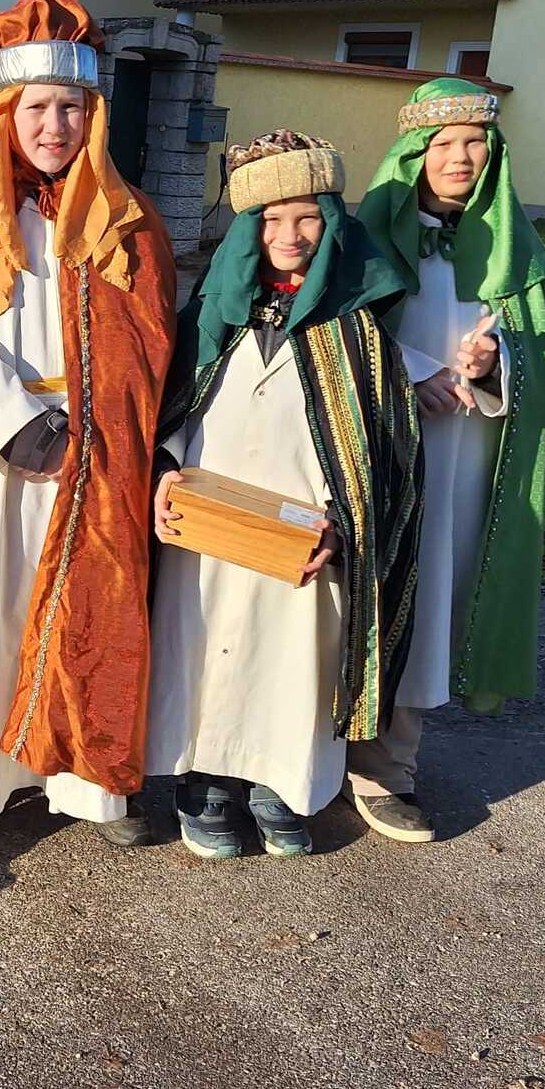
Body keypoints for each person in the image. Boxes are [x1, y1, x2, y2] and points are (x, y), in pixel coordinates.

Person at [0, 0, 176, 844]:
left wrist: (99, 429)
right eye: (37, 109)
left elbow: (151, 340)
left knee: (90, 604)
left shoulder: (127, 218)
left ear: (94, 117)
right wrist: (11, 422)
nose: (54, 127)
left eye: (71, 109)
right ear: (5, 115)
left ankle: (87, 781)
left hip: (93, 454)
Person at [149, 131, 423, 859]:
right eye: (271, 219)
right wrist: (165, 470)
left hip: (307, 533)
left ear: (332, 224)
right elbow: (174, 407)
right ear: (248, 228)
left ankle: (281, 783)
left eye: (307, 218)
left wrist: (346, 521)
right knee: (202, 648)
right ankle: (205, 781)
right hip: (206, 528)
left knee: (294, 657)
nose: (290, 235)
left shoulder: (357, 328)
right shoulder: (216, 314)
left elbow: (383, 447)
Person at [347, 77, 545, 844]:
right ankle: (304, 753)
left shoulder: (518, 255)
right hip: (376, 447)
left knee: (433, 595)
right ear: (414, 153)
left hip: (465, 460)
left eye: (476, 142)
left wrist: (495, 363)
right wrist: (412, 372)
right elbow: (333, 334)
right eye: (444, 143)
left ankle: (387, 766)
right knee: (354, 588)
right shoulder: (362, 240)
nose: (461, 157)